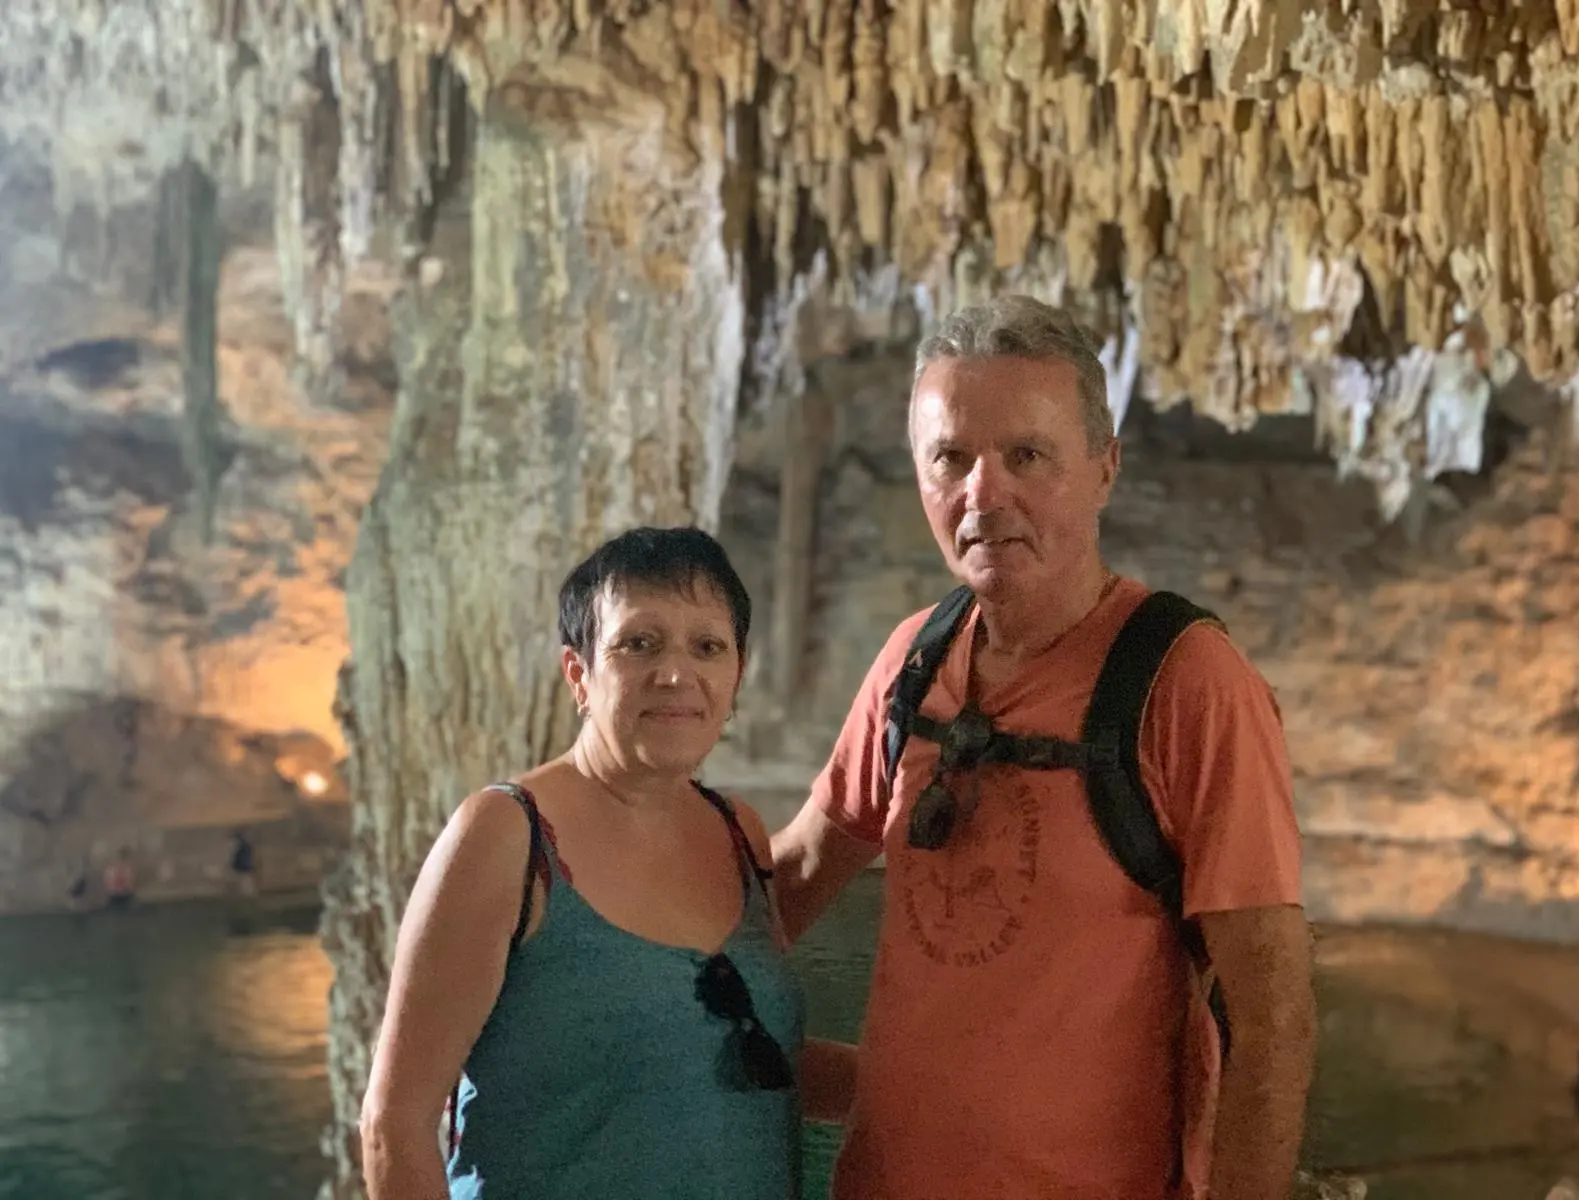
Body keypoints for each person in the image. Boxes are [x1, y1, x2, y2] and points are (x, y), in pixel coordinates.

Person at [772, 295, 1317, 1200]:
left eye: (1026, 455)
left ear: (1104, 468)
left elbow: (1274, 1020)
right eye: (950, 458)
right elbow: (795, 874)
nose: (983, 493)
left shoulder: (1187, 686)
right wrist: (605, 951)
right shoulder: (914, 663)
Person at [361, 526, 847, 1200]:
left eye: (707, 647)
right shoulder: (507, 836)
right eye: (638, 644)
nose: (676, 673)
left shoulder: (740, 836)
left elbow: (733, 1062)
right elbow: (395, 1125)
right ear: (579, 673)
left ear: (737, 675)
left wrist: (961, 1089)